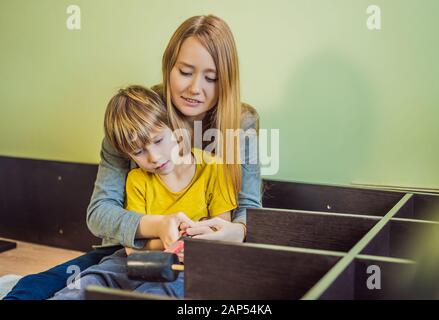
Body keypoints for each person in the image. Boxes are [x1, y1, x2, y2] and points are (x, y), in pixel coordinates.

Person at [3, 14, 261, 300]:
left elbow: (249, 208)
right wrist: (159, 227)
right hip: (127, 252)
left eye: (211, 78)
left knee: (160, 289)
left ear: (226, 80)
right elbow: (100, 212)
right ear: (169, 67)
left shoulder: (241, 123)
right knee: (35, 287)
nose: (195, 88)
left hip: (198, 259)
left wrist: (235, 231)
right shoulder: (138, 116)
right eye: (185, 72)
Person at [50, 85, 237, 299]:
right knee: (88, 281)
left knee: (165, 289)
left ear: (174, 128)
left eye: (158, 140)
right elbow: (132, 250)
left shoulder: (214, 168)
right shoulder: (137, 180)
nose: (154, 157)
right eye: (138, 152)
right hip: (134, 260)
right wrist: (169, 240)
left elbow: (221, 233)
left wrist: (186, 245)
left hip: (194, 262)